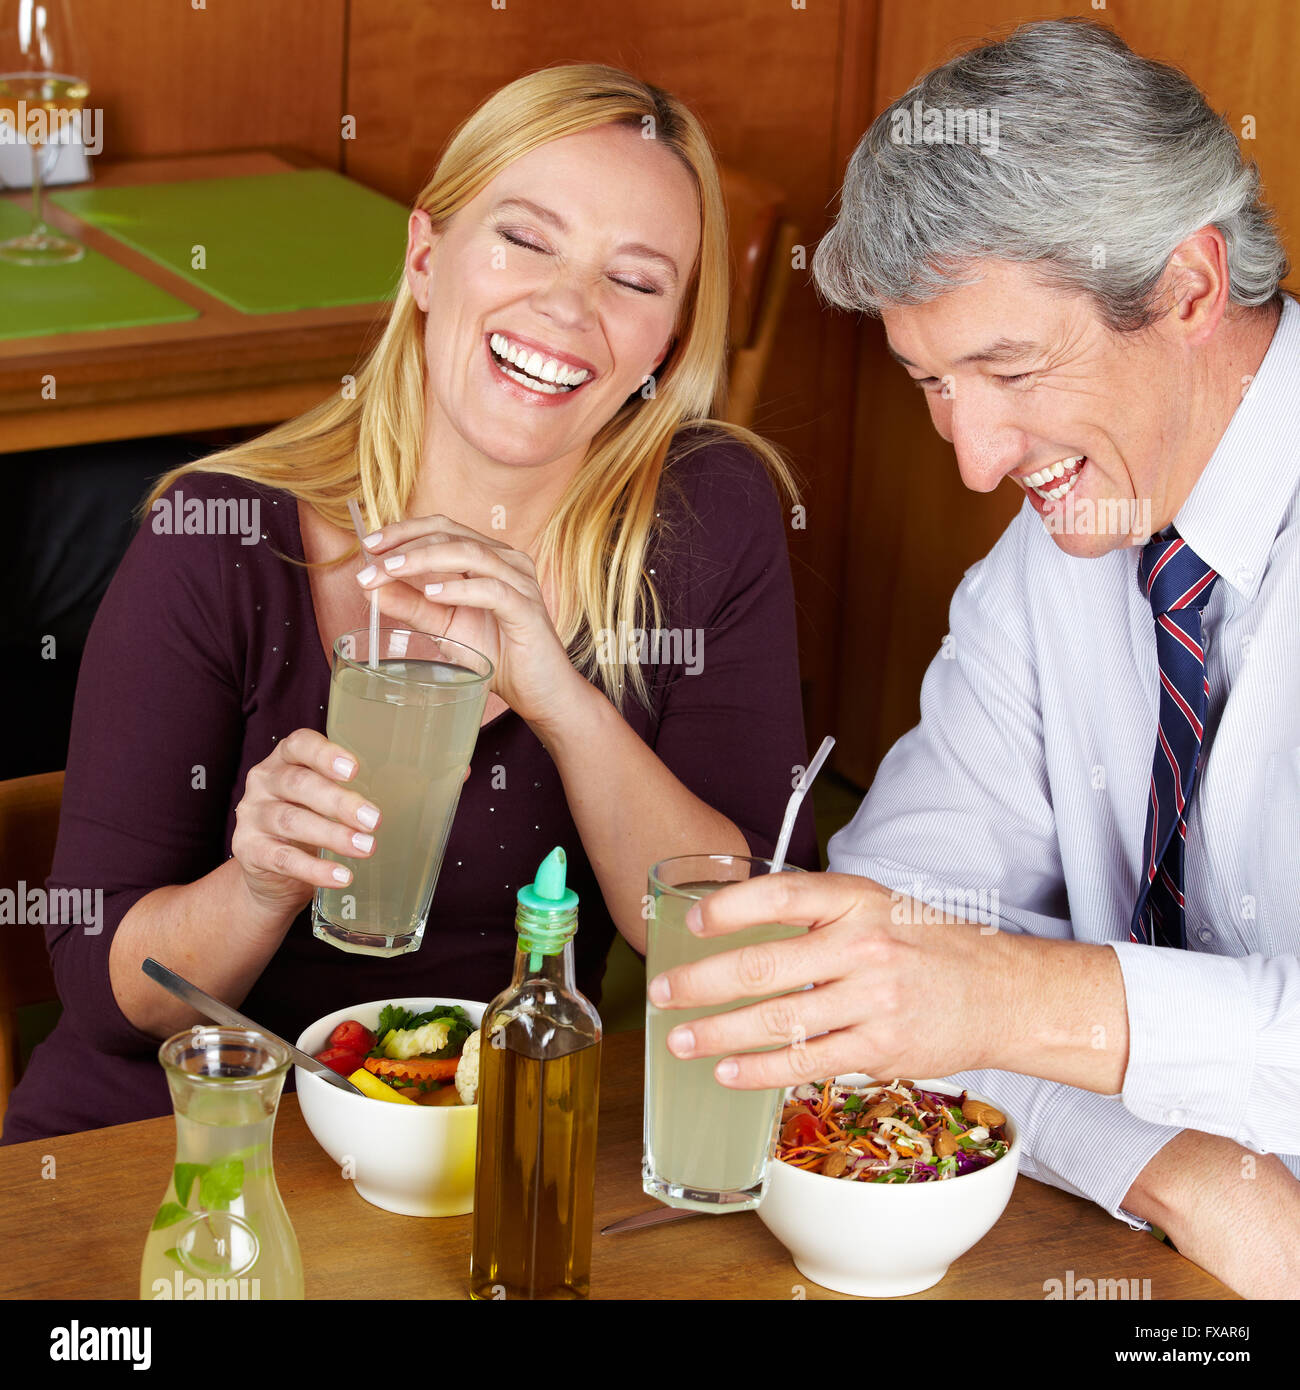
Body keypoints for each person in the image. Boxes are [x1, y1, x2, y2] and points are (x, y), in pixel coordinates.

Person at [2, 64, 816, 1143]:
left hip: (478, 1148)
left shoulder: (707, 513)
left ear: (665, 343)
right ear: (426, 259)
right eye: (525, 239)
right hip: (181, 1142)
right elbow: (115, 1001)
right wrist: (256, 883)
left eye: (635, 279)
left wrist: (560, 697)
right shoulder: (220, 539)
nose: (567, 308)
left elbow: (728, 963)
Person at [644, 19, 1300, 1298]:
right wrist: (1174, 1161)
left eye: (1007, 367)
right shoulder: (1050, 556)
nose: (976, 459)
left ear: (1187, 287)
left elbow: (961, 988)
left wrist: (1009, 1000)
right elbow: (887, 961)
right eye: (930, 383)